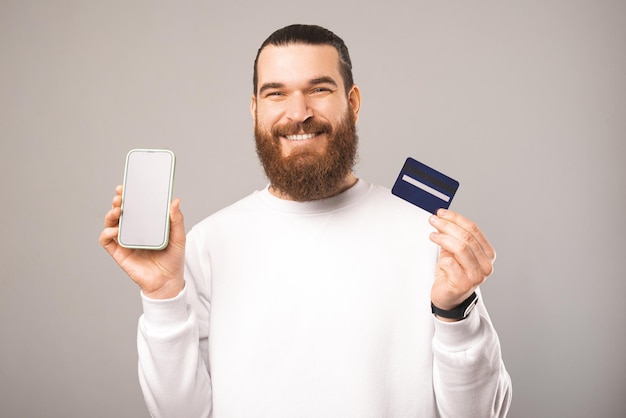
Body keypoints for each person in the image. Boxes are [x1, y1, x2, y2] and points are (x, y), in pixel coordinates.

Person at [100, 24, 512, 418]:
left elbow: (482, 413)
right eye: (276, 93)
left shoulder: (427, 233)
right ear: (255, 109)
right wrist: (162, 296)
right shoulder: (208, 243)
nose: (298, 113)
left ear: (352, 103)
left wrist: (456, 311)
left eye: (318, 89)